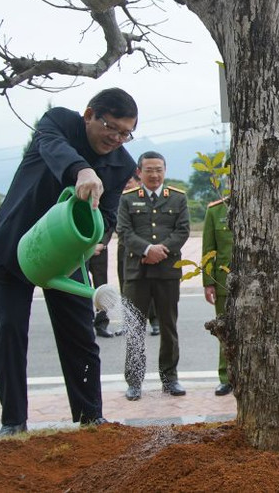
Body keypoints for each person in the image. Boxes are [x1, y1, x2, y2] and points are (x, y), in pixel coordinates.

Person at [0, 88, 138, 437]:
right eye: (110, 127)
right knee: (10, 330)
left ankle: (90, 417)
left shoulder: (122, 163)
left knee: (80, 333)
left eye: (125, 133)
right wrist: (82, 171)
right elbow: (54, 148)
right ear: (89, 115)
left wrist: (98, 242)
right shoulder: (58, 122)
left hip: (67, 254)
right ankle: (13, 422)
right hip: (15, 246)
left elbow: (109, 213)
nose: (116, 139)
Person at [118, 151, 190, 401]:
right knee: (135, 327)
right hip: (137, 273)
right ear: (139, 172)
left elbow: (182, 231)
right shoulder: (127, 199)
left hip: (167, 271)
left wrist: (161, 251)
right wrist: (147, 250)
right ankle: (134, 381)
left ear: (165, 170)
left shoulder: (178, 198)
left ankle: (170, 378)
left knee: (168, 326)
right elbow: (124, 231)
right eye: (149, 169)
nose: (154, 174)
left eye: (159, 169)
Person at [117, 174, 159, 336]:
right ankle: (129, 323)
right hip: (126, 250)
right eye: (124, 183)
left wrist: (147, 249)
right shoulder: (123, 200)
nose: (126, 185)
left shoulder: (149, 199)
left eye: (129, 181)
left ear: (138, 181)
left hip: (149, 249)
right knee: (127, 287)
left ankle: (155, 321)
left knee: (152, 286)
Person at [202, 194, 233, 396]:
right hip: (224, 282)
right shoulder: (215, 210)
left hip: (256, 282)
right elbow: (209, 248)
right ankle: (226, 377)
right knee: (225, 330)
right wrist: (209, 282)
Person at [90, 226, 121, 338]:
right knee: (81, 286)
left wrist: (102, 243)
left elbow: (109, 220)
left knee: (101, 285)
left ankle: (101, 323)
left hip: (99, 248)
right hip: (79, 246)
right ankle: (85, 320)